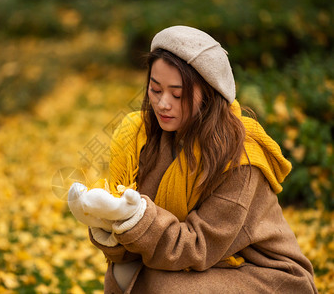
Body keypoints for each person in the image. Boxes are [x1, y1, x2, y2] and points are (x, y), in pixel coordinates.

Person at [68, 26, 317, 293]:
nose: (163, 104)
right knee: (122, 274)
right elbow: (137, 247)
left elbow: (198, 247)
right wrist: (108, 225)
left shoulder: (240, 158)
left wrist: (137, 218)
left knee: (165, 286)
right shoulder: (143, 138)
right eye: (155, 89)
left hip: (266, 272)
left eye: (177, 95)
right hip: (209, 262)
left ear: (208, 96)